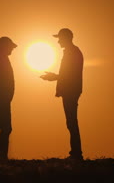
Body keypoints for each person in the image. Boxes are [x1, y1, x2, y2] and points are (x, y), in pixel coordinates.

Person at [40, 28, 84, 161]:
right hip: (70, 90)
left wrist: (54, 77)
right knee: (71, 122)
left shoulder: (72, 53)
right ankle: (76, 153)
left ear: (66, 38)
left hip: (71, 90)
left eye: (60, 38)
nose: (58, 41)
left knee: (71, 122)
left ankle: (76, 154)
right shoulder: (72, 52)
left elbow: (70, 75)